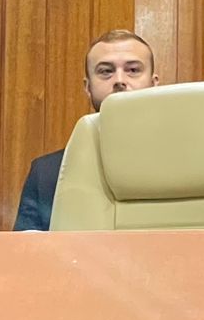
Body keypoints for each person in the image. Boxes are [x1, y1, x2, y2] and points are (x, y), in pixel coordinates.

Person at [13, 30, 159, 231]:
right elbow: (26, 249)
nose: (119, 80)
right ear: (87, 87)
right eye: (105, 71)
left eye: (133, 70)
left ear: (153, 84)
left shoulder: (185, 165)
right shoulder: (47, 173)